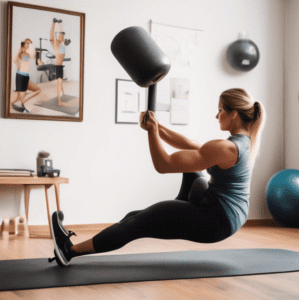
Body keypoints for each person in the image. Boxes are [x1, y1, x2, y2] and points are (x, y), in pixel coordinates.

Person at [49, 88, 266, 267]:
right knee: (135, 215)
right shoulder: (242, 143)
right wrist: (157, 125)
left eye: (220, 111)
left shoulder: (226, 148)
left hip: (216, 220)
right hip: (225, 212)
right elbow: (193, 145)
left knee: (138, 222)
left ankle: (68, 251)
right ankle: (178, 207)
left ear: (234, 114)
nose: (217, 115)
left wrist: (151, 132)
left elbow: (163, 165)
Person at [11, 38, 42, 113]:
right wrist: (20, 52)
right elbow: (17, 60)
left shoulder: (26, 53)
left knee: (38, 90)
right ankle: (21, 105)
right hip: (20, 77)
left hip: (26, 77)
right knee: (20, 96)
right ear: (22, 47)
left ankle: (19, 101)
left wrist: (37, 55)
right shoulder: (22, 54)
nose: (28, 46)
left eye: (29, 44)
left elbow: (33, 57)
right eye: (27, 44)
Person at [50, 18, 71, 106]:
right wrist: (54, 23)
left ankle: (62, 95)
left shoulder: (60, 46)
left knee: (60, 82)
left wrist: (59, 24)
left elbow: (61, 34)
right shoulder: (56, 44)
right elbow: (53, 34)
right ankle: (59, 101)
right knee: (59, 83)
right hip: (58, 66)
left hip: (59, 66)